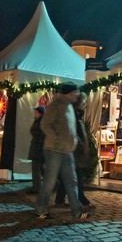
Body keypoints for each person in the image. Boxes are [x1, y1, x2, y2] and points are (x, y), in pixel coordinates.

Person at [35, 82, 89, 220]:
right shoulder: (55, 105)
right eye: (75, 92)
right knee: (50, 182)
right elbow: (45, 125)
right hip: (54, 150)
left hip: (67, 150)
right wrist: (58, 140)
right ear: (69, 93)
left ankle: (77, 210)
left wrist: (75, 140)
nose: (77, 95)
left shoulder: (69, 106)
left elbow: (69, 128)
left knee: (72, 181)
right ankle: (41, 210)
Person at [55, 92, 94, 210]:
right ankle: (81, 200)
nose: (85, 105)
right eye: (83, 103)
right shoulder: (73, 115)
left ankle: (60, 200)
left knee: (66, 177)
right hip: (73, 151)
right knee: (76, 177)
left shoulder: (78, 116)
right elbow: (72, 133)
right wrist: (80, 144)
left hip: (75, 152)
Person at [27, 106, 45, 194]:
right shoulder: (38, 121)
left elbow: (41, 136)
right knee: (42, 169)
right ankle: (51, 185)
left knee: (36, 169)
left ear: (40, 113)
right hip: (37, 148)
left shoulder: (41, 122)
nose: (34, 114)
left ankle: (36, 188)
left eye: (36, 112)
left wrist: (38, 149)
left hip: (38, 149)